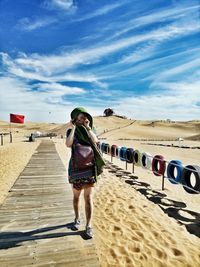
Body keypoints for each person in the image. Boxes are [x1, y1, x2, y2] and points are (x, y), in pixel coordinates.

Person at [65, 107, 105, 238]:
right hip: (76, 169)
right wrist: (74, 128)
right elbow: (68, 144)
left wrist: (88, 128)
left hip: (89, 169)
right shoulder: (71, 131)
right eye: (81, 117)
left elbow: (96, 141)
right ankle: (77, 219)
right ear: (75, 119)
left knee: (88, 198)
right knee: (76, 197)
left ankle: (88, 225)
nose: (84, 119)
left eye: (85, 117)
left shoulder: (90, 130)